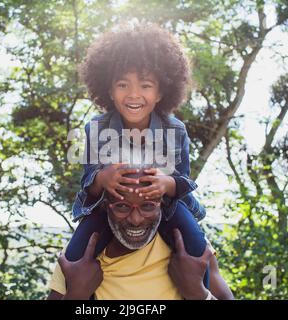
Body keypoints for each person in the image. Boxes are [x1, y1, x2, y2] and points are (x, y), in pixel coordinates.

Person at [66, 21, 211, 284]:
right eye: (123, 85)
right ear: (109, 90)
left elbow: (184, 181)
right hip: (109, 208)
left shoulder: (175, 130)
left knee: (197, 248)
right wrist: (103, 179)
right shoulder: (96, 128)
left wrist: (166, 184)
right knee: (75, 254)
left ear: (160, 92)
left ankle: (203, 291)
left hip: (165, 207)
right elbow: (89, 180)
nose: (134, 94)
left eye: (145, 85)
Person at [47, 170, 234, 300]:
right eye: (121, 206)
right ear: (104, 206)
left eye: (147, 206)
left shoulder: (191, 251)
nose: (135, 219)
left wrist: (198, 294)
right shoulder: (78, 260)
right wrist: (75, 295)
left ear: (162, 203)